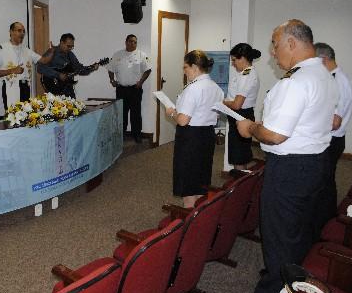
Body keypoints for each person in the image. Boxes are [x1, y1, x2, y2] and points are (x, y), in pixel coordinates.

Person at [236, 19, 338, 293]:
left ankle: (277, 288)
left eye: (275, 44)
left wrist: (251, 127)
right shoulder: (324, 75)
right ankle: (294, 275)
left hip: (290, 170)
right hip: (316, 163)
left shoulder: (296, 81)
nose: (272, 51)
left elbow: (275, 135)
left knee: (280, 237)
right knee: (300, 230)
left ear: (292, 43)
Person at [165, 50, 224, 208]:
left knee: (188, 181)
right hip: (207, 135)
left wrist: (172, 113)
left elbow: (183, 120)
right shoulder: (216, 88)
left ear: (195, 67)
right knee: (201, 178)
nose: (184, 71)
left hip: (190, 137)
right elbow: (216, 115)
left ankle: (189, 221)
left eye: (186, 67)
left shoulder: (193, 88)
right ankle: (201, 219)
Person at [314, 42, 352, 229]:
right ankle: (326, 218)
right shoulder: (333, 78)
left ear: (323, 59)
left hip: (332, 140)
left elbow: (334, 122)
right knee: (325, 181)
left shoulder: (338, 81)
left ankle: (325, 222)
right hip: (330, 139)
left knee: (325, 183)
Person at [0, 22, 53, 109]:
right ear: (11, 32)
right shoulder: (2, 49)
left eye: (23, 31)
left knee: (26, 116)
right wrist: (12, 70)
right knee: (12, 117)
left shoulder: (26, 50)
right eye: (19, 31)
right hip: (11, 88)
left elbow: (44, 60)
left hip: (25, 87)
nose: (22, 33)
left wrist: (52, 50)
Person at [107, 34, 151, 143]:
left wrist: (141, 82)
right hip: (121, 89)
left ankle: (137, 134)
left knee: (136, 113)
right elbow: (110, 69)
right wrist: (112, 80)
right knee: (122, 113)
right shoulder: (117, 55)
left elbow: (148, 70)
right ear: (126, 42)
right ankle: (121, 134)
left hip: (135, 89)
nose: (133, 43)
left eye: (135, 42)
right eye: (131, 41)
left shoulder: (141, 55)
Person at [223, 43, 261, 170]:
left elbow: (237, 104)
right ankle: (243, 183)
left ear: (243, 58)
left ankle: (239, 186)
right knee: (241, 153)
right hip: (241, 115)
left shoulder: (247, 75)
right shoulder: (245, 73)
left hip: (240, 115)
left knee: (238, 156)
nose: (233, 63)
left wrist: (222, 103)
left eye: (234, 60)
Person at [37, 33, 98, 98]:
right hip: (54, 90)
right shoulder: (52, 52)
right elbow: (40, 67)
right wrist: (58, 75)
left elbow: (79, 69)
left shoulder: (70, 55)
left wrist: (92, 68)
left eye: (72, 46)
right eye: (68, 46)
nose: (70, 48)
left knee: (74, 107)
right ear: (61, 42)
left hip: (68, 90)